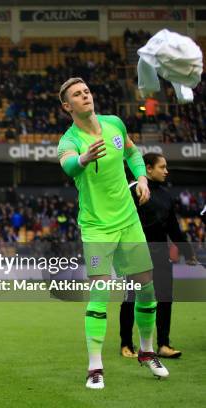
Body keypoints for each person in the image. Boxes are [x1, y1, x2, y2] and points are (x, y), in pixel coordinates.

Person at [57, 77, 169, 389]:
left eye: (86, 91)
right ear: (68, 106)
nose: (85, 96)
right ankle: (95, 368)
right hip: (96, 227)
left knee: (147, 288)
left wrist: (143, 178)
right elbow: (68, 167)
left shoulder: (114, 124)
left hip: (129, 221)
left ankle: (146, 350)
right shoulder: (69, 140)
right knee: (100, 294)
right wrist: (84, 158)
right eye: (77, 95)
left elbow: (133, 154)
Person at [119, 153, 198, 359]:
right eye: (162, 167)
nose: (166, 171)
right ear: (148, 168)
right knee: (132, 297)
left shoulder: (165, 196)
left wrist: (188, 253)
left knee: (165, 298)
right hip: (136, 254)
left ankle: (163, 344)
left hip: (161, 255)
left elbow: (173, 228)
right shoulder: (132, 191)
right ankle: (126, 343)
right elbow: (120, 223)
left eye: (166, 167)